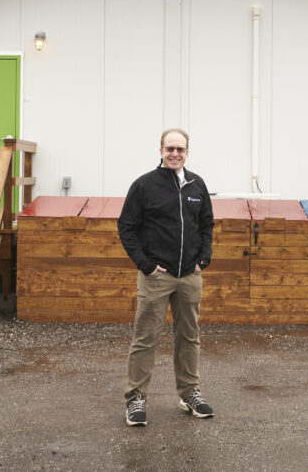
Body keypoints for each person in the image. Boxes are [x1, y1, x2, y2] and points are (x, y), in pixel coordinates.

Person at [118, 128, 215, 426]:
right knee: (146, 338)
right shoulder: (144, 185)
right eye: (170, 148)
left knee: (189, 336)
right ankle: (136, 399)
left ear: (188, 152)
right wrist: (145, 265)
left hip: (189, 276)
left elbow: (207, 224)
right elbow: (126, 227)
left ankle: (190, 393)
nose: (175, 154)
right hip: (156, 276)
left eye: (180, 149)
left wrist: (203, 259)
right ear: (160, 150)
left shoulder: (197, 184)